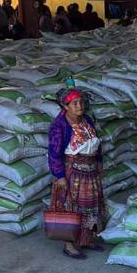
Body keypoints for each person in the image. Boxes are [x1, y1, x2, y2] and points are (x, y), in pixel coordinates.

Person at [48, 88, 105, 259]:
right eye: (75, 103)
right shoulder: (59, 126)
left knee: (90, 206)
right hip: (72, 172)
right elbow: (54, 153)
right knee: (71, 208)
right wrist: (59, 176)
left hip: (90, 171)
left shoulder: (87, 120)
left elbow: (96, 143)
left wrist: (99, 162)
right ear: (65, 106)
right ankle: (69, 245)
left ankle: (86, 239)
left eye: (81, 102)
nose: (80, 106)